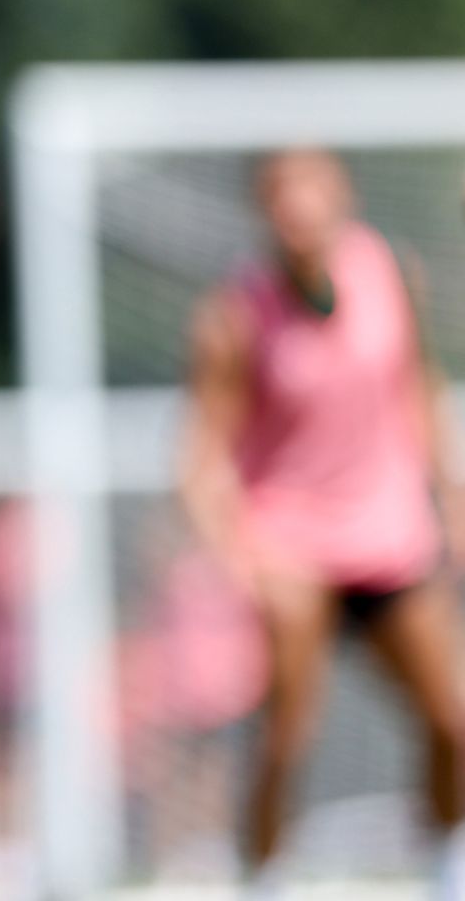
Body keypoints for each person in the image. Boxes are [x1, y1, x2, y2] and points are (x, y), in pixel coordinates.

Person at [179, 149, 465, 896]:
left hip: (389, 532)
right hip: (292, 543)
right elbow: (200, 456)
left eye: (312, 186)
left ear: (343, 194)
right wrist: (237, 555)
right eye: (282, 191)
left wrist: (453, 497)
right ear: (263, 208)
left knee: (452, 715)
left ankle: (448, 866)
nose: (299, 205)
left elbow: (421, 391)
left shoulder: (389, 274)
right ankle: (266, 875)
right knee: (287, 732)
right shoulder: (237, 314)